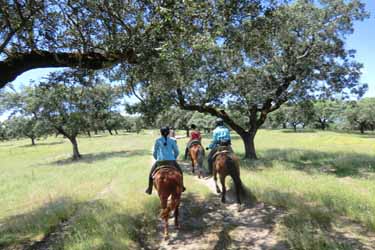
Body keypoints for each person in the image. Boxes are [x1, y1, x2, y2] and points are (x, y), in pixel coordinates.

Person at [145, 126, 186, 195]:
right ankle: (182, 186)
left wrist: (157, 159)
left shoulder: (158, 140)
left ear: (160, 132)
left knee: (150, 174)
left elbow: (154, 152)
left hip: (160, 161)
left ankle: (149, 189)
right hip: (171, 161)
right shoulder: (172, 140)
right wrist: (173, 158)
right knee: (180, 172)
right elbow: (176, 152)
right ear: (168, 132)